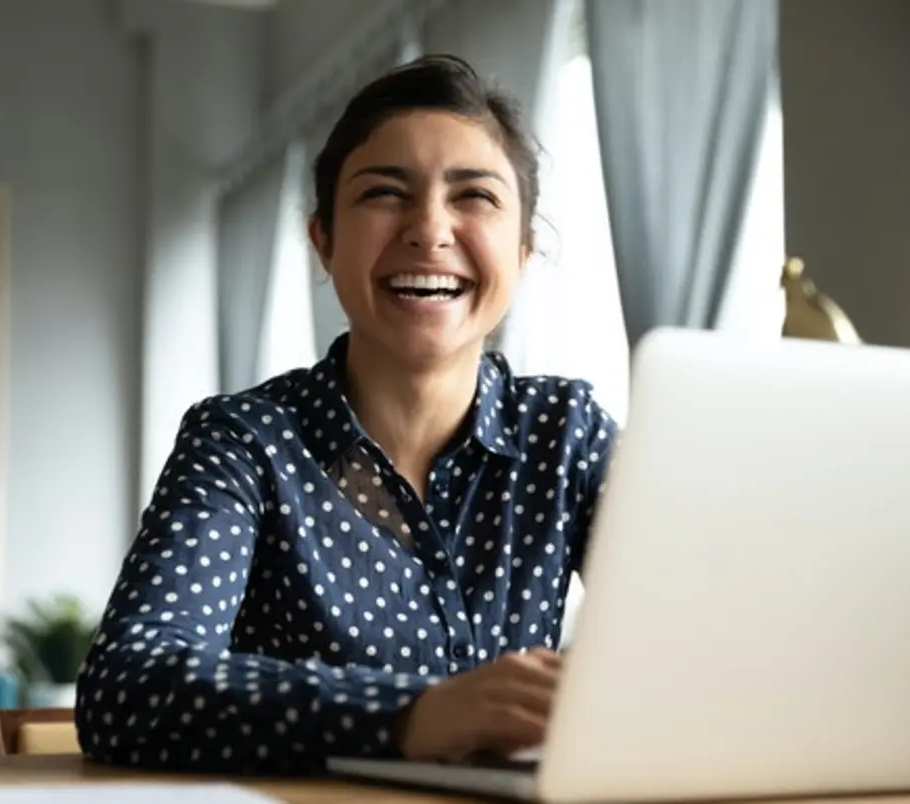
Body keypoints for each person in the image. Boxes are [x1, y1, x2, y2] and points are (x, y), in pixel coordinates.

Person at [74, 53, 619, 776]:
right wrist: (410, 715)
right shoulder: (243, 442)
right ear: (322, 242)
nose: (430, 230)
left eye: (475, 197)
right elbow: (128, 689)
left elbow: (696, 636)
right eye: (384, 193)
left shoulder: (568, 433)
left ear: (522, 252)